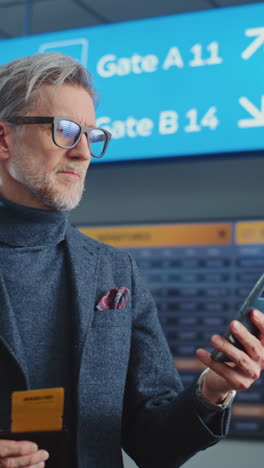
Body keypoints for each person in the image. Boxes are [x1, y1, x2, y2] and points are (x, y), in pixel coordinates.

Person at [0, 52, 263, 468]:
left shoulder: (114, 271)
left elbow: (153, 445)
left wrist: (212, 390)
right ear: (4, 139)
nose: (83, 152)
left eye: (91, 135)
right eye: (65, 131)